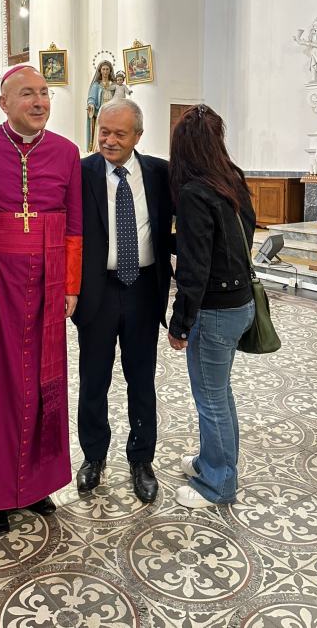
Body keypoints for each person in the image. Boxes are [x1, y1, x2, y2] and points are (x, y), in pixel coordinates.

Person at [0, 65, 82, 535]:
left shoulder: (67, 152)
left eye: (45, 93)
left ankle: (38, 484)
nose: (40, 101)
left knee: (45, 381)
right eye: (27, 94)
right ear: (3, 103)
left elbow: (74, 225)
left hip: (47, 281)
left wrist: (70, 285)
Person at [73, 98, 172, 503]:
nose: (109, 141)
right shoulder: (81, 173)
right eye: (104, 132)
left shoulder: (159, 173)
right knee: (93, 379)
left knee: (141, 378)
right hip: (97, 291)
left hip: (143, 291)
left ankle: (141, 459)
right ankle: (93, 456)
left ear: (138, 136)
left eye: (119, 134)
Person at [168, 104, 255, 508]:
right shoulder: (231, 180)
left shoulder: (193, 191)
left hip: (215, 310)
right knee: (219, 392)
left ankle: (218, 484)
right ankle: (210, 461)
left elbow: (195, 266)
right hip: (241, 303)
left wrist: (180, 322)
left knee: (211, 398)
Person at [87, 60, 116, 152]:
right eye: (103, 69)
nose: (105, 71)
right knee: (102, 128)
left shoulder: (114, 84)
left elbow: (119, 95)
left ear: (110, 71)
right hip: (102, 110)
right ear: (100, 71)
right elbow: (91, 98)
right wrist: (91, 105)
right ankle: (99, 147)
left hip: (113, 110)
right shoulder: (96, 85)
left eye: (107, 69)